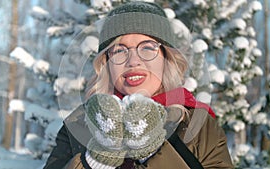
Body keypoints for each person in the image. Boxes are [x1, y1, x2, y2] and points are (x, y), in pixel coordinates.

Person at [43, 1, 234, 169]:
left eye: (148, 47)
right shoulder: (78, 124)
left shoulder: (198, 126)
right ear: (106, 63)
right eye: (119, 50)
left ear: (166, 58)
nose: (133, 61)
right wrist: (95, 161)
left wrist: (153, 151)